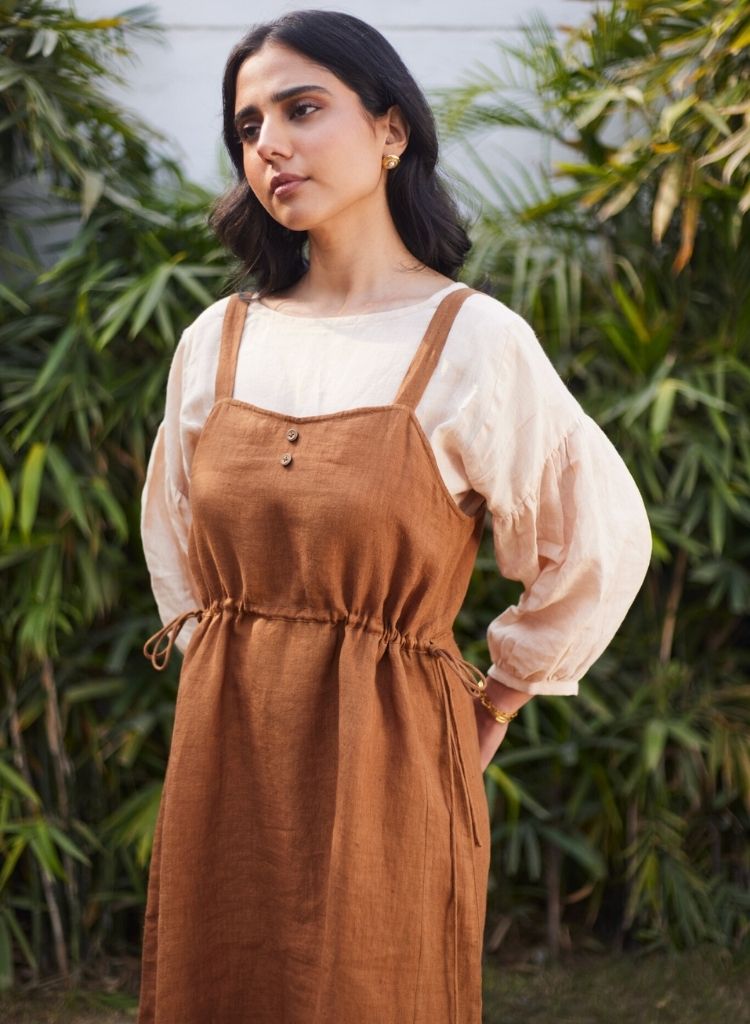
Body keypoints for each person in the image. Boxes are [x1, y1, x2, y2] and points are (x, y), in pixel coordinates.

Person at [137, 9, 652, 1023]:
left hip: (392, 761)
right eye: (247, 126)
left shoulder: (474, 341)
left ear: (390, 130)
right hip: (225, 755)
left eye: (302, 108)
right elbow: (175, 536)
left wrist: (494, 704)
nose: (269, 144)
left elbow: (601, 539)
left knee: (375, 986)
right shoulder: (216, 339)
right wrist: (235, 671)